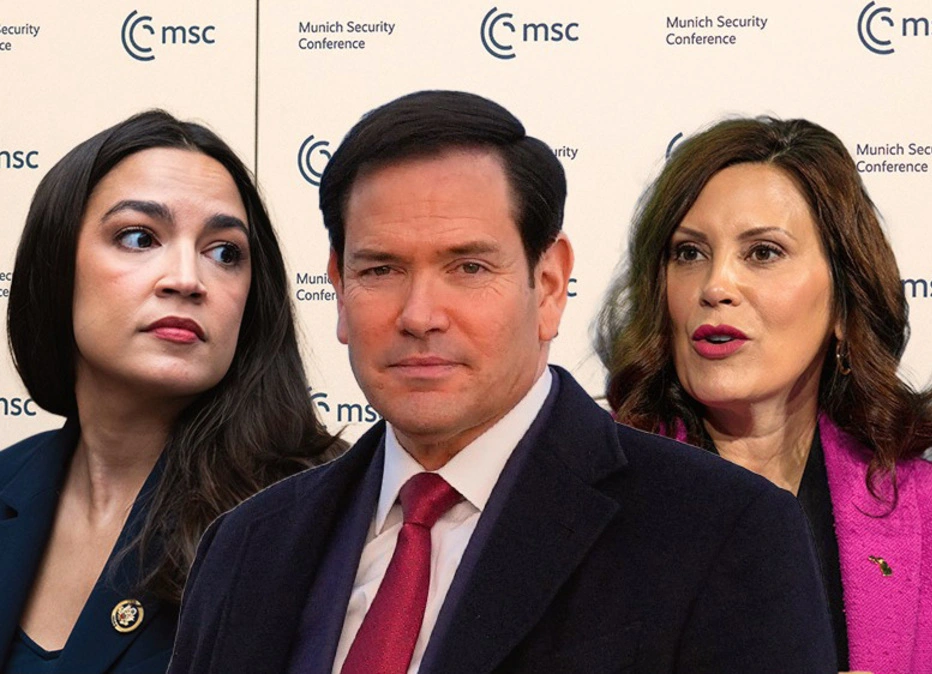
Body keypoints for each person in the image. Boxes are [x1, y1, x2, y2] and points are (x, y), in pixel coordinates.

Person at [167, 91, 836, 674]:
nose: (419, 315)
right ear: (339, 289)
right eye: (381, 270)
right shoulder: (246, 548)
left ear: (548, 285)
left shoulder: (723, 534)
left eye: (468, 268)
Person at [595, 116, 932, 674]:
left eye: (763, 253)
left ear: (844, 302)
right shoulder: (585, 495)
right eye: (688, 253)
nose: (715, 286)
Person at [0, 110, 343, 673]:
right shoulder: (9, 480)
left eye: (224, 252)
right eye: (139, 238)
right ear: (56, 265)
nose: (187, 279)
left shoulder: (312, 512)